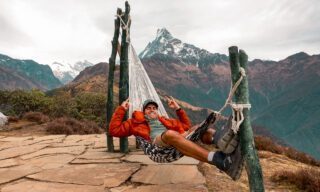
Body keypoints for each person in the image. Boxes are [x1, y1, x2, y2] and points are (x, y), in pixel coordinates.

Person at [109, 96, 244, 180]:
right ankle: (218, 160)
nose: (152, 110)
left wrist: (178, 109)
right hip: (157, 147)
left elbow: (185, 126)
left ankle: (222, 141)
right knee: (170, 134)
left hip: (175, 141)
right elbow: (113, 130)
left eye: (154, 108)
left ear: (157, 111)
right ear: (143, 111)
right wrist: (121, 109)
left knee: (200, 129)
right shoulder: (135, 123)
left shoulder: (165, 120)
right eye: (148, 108)